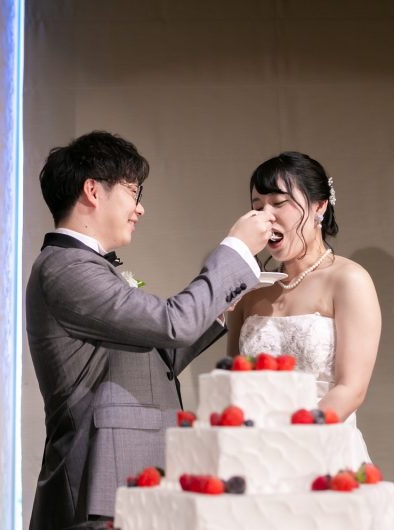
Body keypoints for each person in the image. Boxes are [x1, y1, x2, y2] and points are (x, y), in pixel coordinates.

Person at [25, 131, 275, 529]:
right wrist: (236, 249)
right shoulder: (67, 268)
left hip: (131, 471)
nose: (139, 209)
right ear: (93, 190)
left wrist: (216, 307)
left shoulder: (86, 266)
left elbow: (161, 356)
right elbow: (173, 324)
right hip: (104, 477)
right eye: (132, 192)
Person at [227, 152, 380, 463]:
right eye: (257, 206)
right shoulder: (252, 290)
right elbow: (232, 381)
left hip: (322, 450)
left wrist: (292, 443)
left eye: (278, 203)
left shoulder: (348, 280)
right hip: (255, 453)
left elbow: (351, 389)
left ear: (319, 206)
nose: (266, 216)